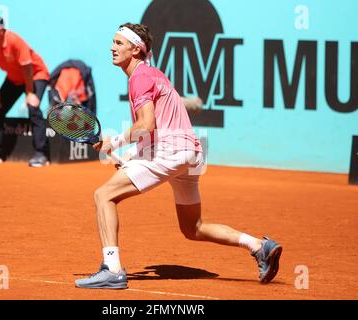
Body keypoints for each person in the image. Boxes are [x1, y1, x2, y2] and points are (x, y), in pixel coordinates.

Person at [75, 23, 282, 289]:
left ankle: (112, 269)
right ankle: (259, 245)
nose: (112, 48)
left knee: (103, 196)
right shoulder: (155, 74)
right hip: (190, 153)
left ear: (136, 49)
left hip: (169, 152)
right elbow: (159, 128)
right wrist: (129, 157)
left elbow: (146, 125)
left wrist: (114, 141)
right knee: (192, 227)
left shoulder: (138, 77)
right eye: (112, 42)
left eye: (118, 43)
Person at [0, 14, 50, 167]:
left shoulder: (15, 41)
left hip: (36, 74)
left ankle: (41, 155)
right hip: (14, 78)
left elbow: (28, 68)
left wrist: (30, 93)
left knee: (33, 107)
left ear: (1, 31)